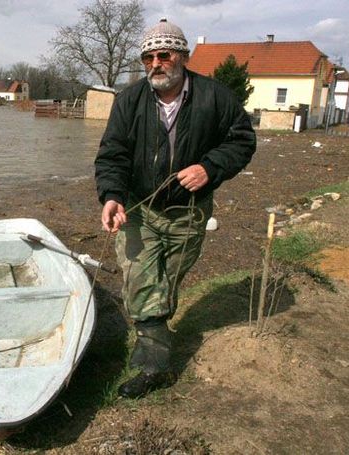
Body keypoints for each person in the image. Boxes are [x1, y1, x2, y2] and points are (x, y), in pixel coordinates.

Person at [94, 18, 256, 398]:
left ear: (182, 56)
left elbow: (243, 140)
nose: (155, 63)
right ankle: (156, 367)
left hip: (190, 212)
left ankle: (152, 335)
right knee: (140, 278)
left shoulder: (215, 97)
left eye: (163, 55)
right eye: (148, 57)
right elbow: (112, 155)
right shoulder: (129, 100)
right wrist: (112, 196)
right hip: (139, 209)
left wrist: (210, 167)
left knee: (166, 282)